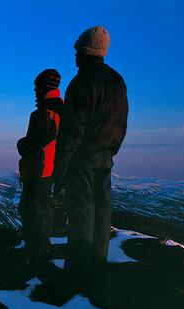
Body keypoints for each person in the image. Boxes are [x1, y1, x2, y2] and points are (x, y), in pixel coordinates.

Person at [53, 26, 128, 289]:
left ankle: (77, 272)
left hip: (83, 157)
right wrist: (111, 149)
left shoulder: (81, 82)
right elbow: (121, 123)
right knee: (102, 207)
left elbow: (73, 129)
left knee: (82, 210)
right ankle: (98, 263)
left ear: (86, 52)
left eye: (77, 51)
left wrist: (61, 166)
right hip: (106, 155)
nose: (74, 56)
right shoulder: (117, 81)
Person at [17, 69, 63, 274]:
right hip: (46, 167)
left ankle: (37, 254)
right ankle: (40, 249)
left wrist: (22, 144)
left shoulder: (47, 111)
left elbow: (43, 138)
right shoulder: (58, 108)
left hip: (40, 168)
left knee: (32, 209)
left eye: (37, 87)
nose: (35, 91)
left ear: (44, 87)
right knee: (40, 208)